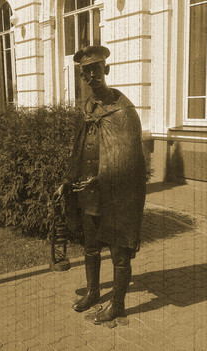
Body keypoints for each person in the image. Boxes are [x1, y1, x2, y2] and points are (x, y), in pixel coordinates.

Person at [55, 45, 146, 324]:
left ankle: (117, 305)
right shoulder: (87, 109)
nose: (90, 76)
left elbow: (131, 163)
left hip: (116, 195)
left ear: (105, 69)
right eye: (85, 72)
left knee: (119, 253)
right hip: (89, 194)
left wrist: (102, 177)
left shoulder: (123, 111)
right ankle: (93, 293)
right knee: (91, 246)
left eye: (95, 69)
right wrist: (68, 180)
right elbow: (78, 150)